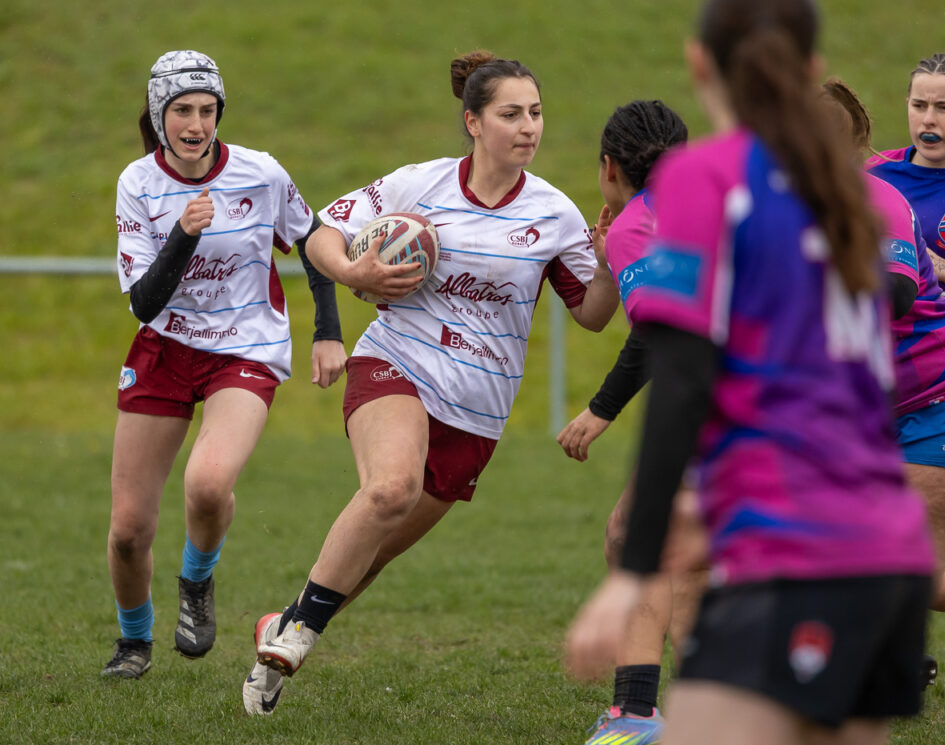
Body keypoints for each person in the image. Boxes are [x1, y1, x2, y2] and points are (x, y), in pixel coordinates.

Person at [565, 2, 936, 744]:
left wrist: (633, 571)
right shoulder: (851, 188)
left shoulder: (707, 178)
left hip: (791, 547)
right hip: (888, 544)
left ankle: (633, 709)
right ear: (813, 71)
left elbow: (681, 374)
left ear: (699, 64)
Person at [241, 49, 620, 716]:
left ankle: (287, 622)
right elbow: (322, 233)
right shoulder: (419, 185)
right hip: (396, 362)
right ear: (473, 122)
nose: (528, 127)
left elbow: (591, 315)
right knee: (389, 489)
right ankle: (297, 637)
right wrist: (354, 272)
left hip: (477, 412)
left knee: (373, 554)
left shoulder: (554, 214)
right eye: (511, 114)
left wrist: (609, 264)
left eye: (535, 113)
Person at [103, 50, 346, 679]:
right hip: (163, 350)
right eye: (182, 110)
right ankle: (134, 642)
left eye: (208, 110)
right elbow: (144, 302)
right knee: (128, 530)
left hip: (245, 348)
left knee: (209, 484)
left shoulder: (260, 173)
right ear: (158, 115)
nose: (196, 124)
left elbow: (314, 239)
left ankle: (196, 583)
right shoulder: (138, 183)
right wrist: (184, 232)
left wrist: (327, 332)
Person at [825, 78, 945, 671]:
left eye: (943, 105)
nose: (927, 117)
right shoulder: (791, 206)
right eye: (917, 104)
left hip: (943, 397)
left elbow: (895, 293)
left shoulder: (881, 196)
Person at [555, 100, 692, 745]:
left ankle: (646, 714)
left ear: (608, 167)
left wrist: (600, 409)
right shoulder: (715, 201)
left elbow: (662, 330)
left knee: (651, 542)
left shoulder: (641, 221)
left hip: (731, 396)